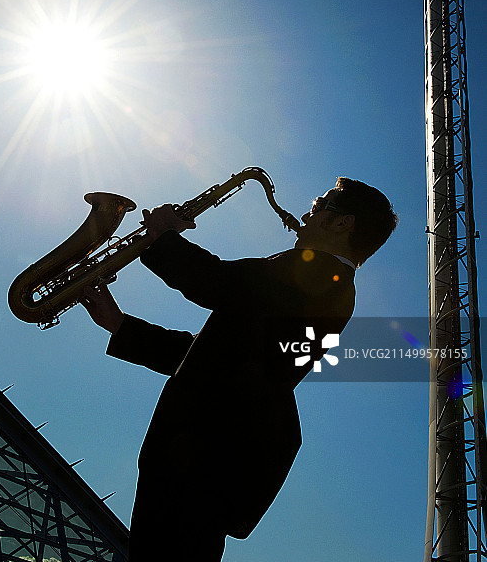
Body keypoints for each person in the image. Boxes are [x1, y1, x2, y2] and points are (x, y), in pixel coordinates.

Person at [81, 177, 397, 561]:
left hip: (199, 466)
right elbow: (218, 357)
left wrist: (163, 237)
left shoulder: (319, 275)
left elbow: (219, 283)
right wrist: (121, 325)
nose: (305, 214)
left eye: (318, 206)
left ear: (342, 223)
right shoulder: (330, 285)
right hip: (201, 468)